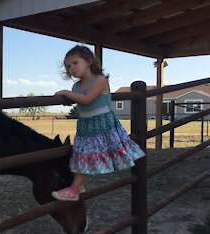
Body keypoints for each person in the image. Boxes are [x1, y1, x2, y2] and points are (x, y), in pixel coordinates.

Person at [51, 45, 145, 201]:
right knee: (80, 155)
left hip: (102, 124)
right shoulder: (76, 86)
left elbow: (87, 100)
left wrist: (66, 94)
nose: (71, 68)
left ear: (88, 61)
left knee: (85, 154)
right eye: (68, 66)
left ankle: (74, 189)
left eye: (75, 63)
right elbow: (78, 100)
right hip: (85, 125)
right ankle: (78, 186)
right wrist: (68, 99)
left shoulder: (100, 80)